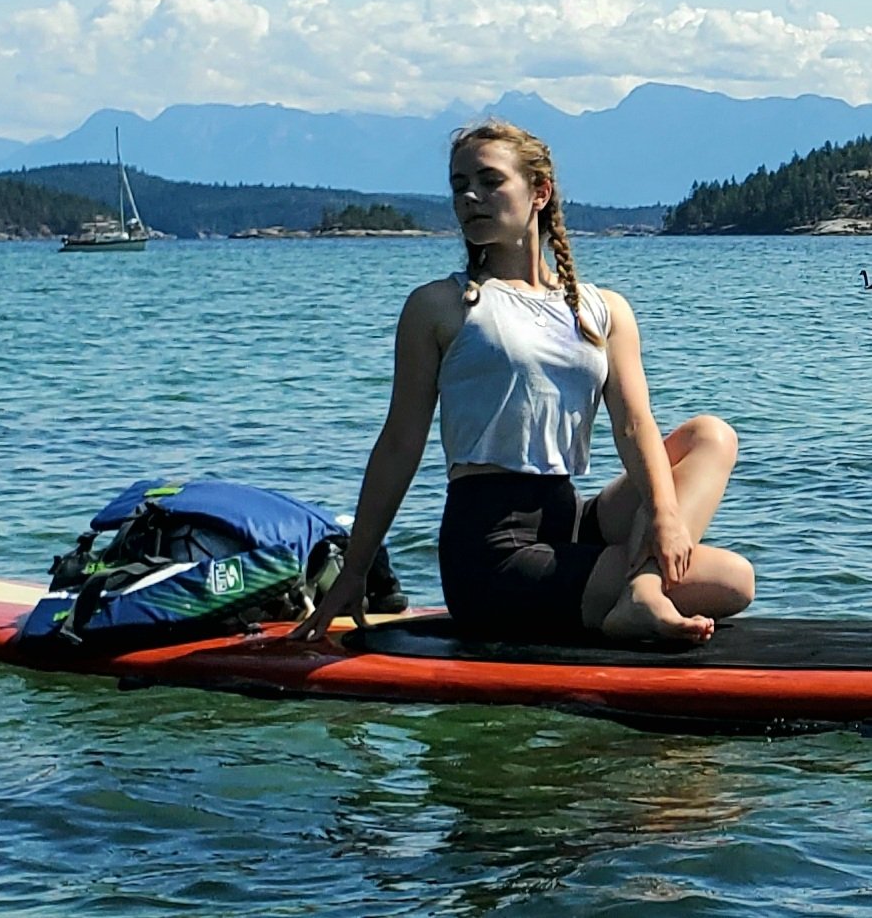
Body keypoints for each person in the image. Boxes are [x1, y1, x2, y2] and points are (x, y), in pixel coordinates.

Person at [292, 120, 754, 644]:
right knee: (726, 582)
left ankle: (641, 587)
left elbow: (633, 426)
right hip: (492, 550)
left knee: (711, 440)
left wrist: (665, 516)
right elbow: (400, 443)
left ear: (540, 192)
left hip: (567, 522)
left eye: (490, 181)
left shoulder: (602, 309)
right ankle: (637, 591)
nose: (470, 196)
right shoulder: (441, 306)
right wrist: (356, 567)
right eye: (459, 185)